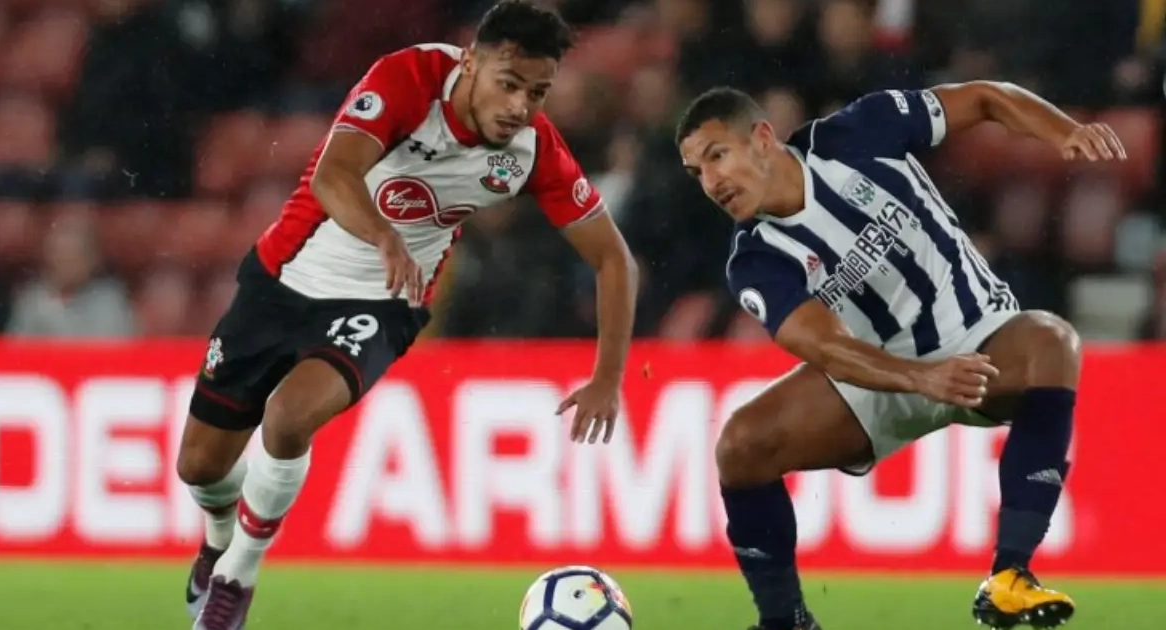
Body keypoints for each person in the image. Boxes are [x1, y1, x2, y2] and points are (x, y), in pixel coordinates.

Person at [178, 2, 638, 628]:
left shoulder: (533, 152)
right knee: (200, 467)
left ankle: (237, 576)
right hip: (283, 280)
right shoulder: (408, 78)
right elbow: (334, 176)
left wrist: (608, 377)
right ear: (470, 63)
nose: (519, 107)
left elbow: (614, 259)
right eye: (508, 84)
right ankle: (216, 539)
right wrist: (384, 236)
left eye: (537, 93)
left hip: (383, 303)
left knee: (288, 418)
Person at [676, 83, 1125, 630]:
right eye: (696, 173)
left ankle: (1010, 576)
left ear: (763, 138)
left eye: (717, 156)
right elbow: (825, 346)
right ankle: (785, 621)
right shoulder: (755, 259)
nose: (711, 182)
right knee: (741, 446)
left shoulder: (859, 133)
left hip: (978, 335)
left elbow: (985, 98)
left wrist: (1064, 131)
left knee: (1052, 341)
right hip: (879, 372)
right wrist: (921, 378)